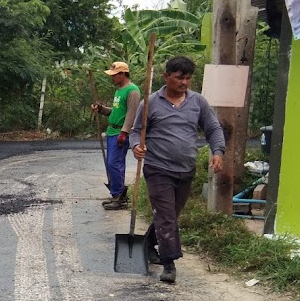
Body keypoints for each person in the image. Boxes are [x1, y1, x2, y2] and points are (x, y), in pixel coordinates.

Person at [131, 55, 226, 284]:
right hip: (157, 168)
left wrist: (218, 152)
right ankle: (169, 263)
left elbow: (213, 128)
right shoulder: (150, 103)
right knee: (166, 215)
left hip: (185, 170)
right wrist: (136, 146)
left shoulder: (198, 102)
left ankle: (147, 245)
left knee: (170, 215)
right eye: (179, 78)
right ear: (166, 77)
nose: (184, 83)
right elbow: (136, 131)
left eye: (188, 78)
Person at [92, 61, 141, 210]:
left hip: (121, 133)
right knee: (112, 164)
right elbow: (115, 112)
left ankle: (120, 198)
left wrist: (124, 132)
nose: (112, 78)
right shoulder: (119, 91)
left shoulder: (132, 91)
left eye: (114, 75)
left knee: (115, 164)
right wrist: (100, 109)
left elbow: (132, 114)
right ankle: (116, 194)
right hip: (112, 131)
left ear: (122, 74)